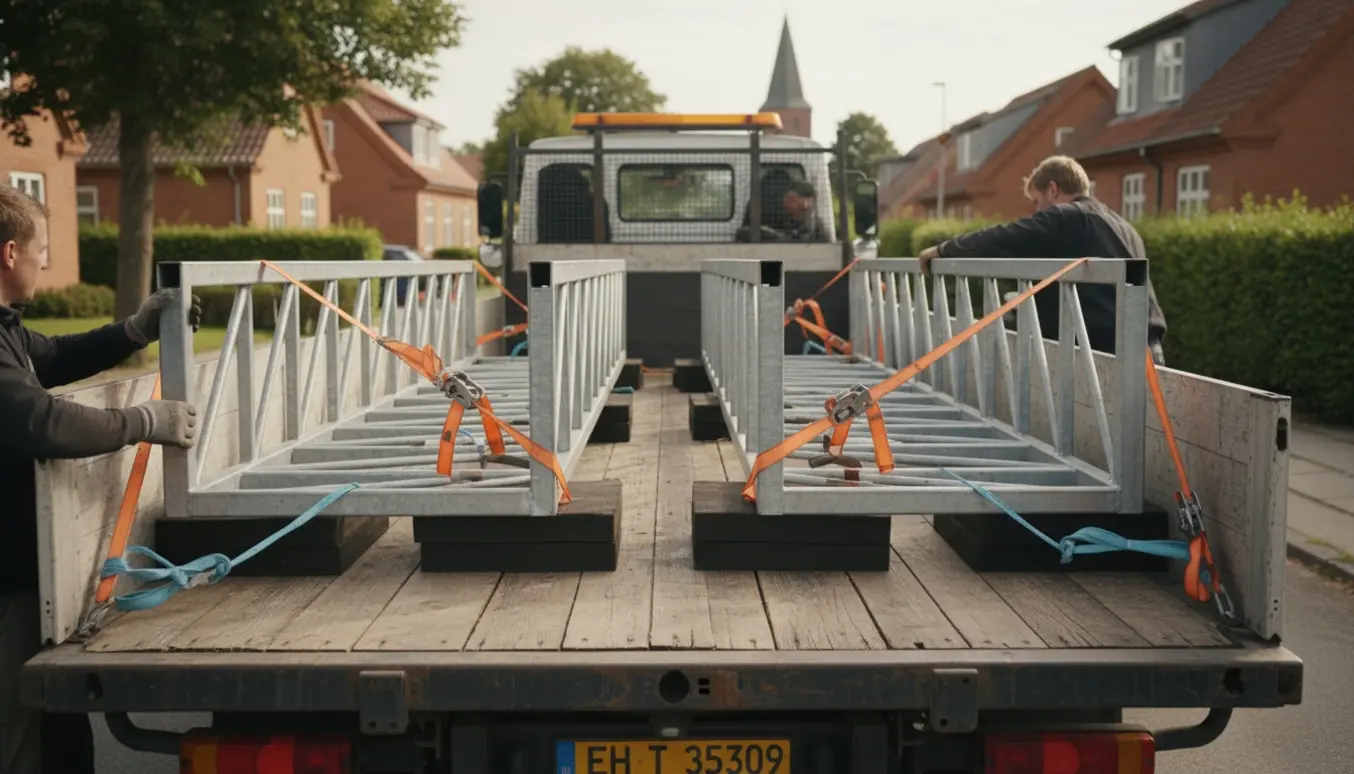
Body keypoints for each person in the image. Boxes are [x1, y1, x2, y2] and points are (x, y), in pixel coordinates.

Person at [0, 185, 202, 774]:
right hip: (5, 586)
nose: (46, 262)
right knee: (20, 735)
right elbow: (39, 421)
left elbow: (53, 356)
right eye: (42, 249)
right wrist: (142, 421)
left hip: (25, 576)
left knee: (57, 731)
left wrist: (133, 331)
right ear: (10, 253)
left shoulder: (7, 328)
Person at [918, 155, 1168, 365]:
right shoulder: (1124, 226)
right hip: (1148, 349)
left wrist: (944, 250)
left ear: (1053, 189)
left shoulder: (1065, 217)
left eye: (1037, 201)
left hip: (1107, 355)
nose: (1037, 211)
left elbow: (1003, 238)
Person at [736, 170, 829, 243]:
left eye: (806, 208)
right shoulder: (765, 211)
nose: (805, 209)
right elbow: (744, 233)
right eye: (793, 201)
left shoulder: (812, 224)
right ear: (788, 198)